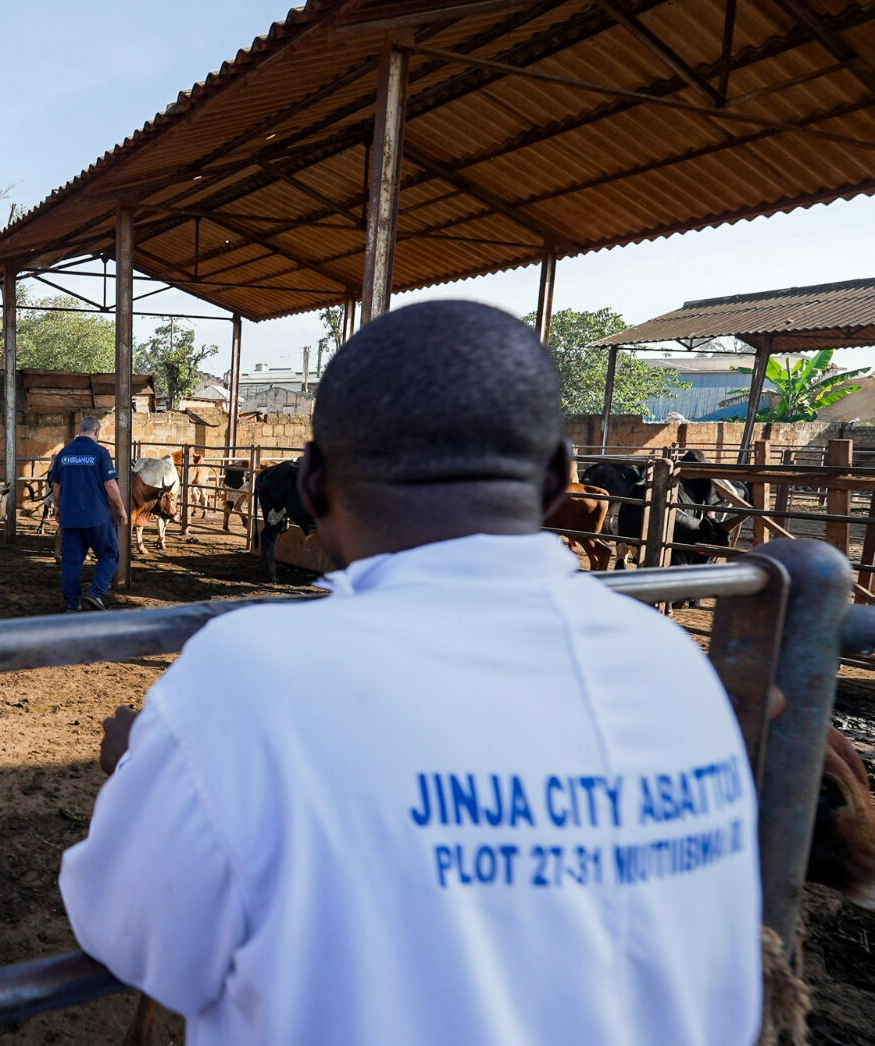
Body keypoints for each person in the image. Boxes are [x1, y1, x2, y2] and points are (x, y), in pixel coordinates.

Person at [59, 301, 760, 1044]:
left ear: (313, 483)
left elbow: (132, 936)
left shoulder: (249, 677)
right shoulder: (681, 675)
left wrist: (154, 763)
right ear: (560, 477)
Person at [49, 416, 127, 612]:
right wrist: (121, 508)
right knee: (110, 553)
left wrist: (59, 509)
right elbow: (110, 484)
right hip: (97, 517)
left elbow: (56, 487)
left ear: (80, 430)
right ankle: (95, 593)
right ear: (97, 432)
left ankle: (73, 605)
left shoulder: (63, 454)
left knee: (71, 562)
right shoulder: (100, 453)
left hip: (71, 518)